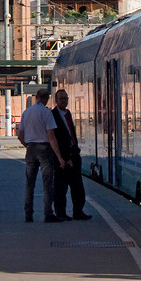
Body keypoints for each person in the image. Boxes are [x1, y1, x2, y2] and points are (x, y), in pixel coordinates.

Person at [17, 88, 67, 223]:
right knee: (47, 183)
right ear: (46, 98)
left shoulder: (26, 112)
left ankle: (28, 215)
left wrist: (28, 146)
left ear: (36, 97)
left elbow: (20, 136)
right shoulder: (46, 113)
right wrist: (59, 157)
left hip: (31, 149)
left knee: (29, 184)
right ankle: (48, 214)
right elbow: (51, 137)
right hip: (45, 149)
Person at [52, 89, 91, 221]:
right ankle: (60, 212)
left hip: (74, 155)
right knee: (61, 187)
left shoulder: (67, 113)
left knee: (77, 186)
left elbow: (70, 134)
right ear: (56, 100)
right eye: (61, 98)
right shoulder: (53, 115)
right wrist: (65, 158)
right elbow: (56, 139)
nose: (64, 101)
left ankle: (78, 211)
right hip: (62, 159)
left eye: (66, 98)